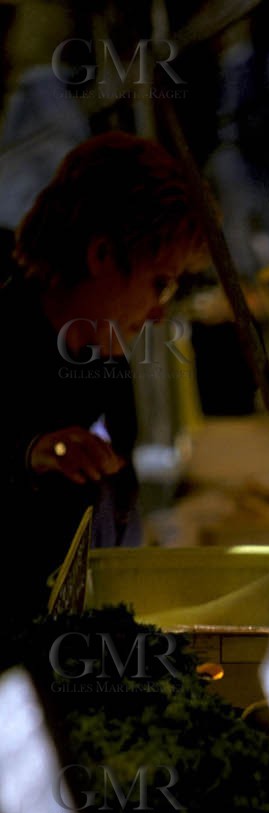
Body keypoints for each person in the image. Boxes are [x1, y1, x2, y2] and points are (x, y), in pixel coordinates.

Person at [0, 133, 205, 628]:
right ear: (101, 256)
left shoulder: (104, 359)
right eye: (158, 283)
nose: (159, 314)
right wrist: (29, 455)